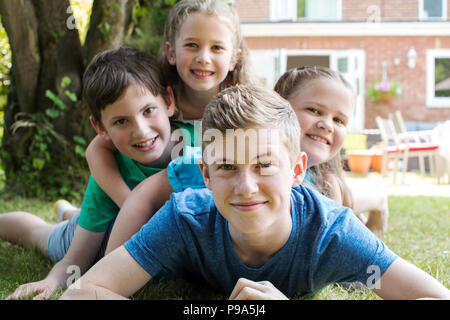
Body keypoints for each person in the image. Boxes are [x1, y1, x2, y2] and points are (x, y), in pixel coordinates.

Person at [60, 84, 450, 300]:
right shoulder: (184, 217)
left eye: (264, 165)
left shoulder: (331, 234)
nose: (246, 188)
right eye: (227, 167)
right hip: (124, 237)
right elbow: (82, 292)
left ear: (297, 170)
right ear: (206, 175)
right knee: (50, 239)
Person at [0, 47, 187, 300]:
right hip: (96, 238)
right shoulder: (109, 175)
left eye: (148, 110)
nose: (141, 132)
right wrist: (53, 280)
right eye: (121, 121)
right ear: (100, 127)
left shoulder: (197, 148)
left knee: (77, 215)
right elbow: (75, 260)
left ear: (169, 101)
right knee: (40, 234)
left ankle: (67, 210)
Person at [81, 0, 254, 254]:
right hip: (132, 205)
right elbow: (96, 150)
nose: (203, 58)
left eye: (216, 47)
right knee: (49, 234)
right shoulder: (155, 101)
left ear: (233, 59)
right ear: (171, 52)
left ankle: (68, 213)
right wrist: (130, 203)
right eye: (192, 45)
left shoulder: (242, 112)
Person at [274, 66, 389, 236]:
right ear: (278, 108)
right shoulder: (258, 165)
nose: (327, 125)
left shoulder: (327, 179)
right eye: (313, 110)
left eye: (338, 120)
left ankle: (378, 197)